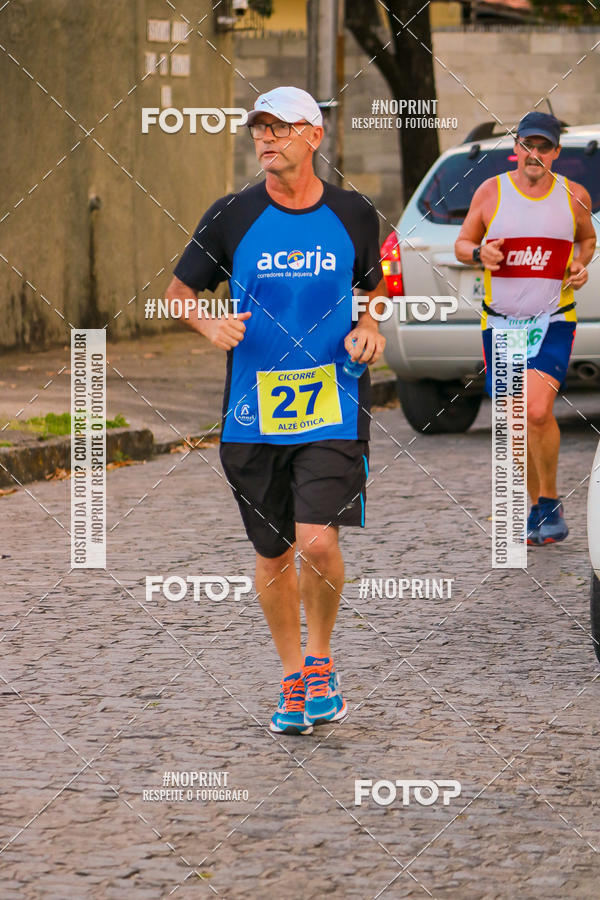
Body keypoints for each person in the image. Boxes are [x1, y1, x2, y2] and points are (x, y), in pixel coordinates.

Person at [165, 86, 386, 733]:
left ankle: (320, 662)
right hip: (251, 413)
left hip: (333, 403)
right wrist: (211, 329)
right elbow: (180, 294)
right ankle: (292, 677)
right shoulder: (231, 215)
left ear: (313, 136)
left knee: (317, 540)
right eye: (259, 128)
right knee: (273, 553)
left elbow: (375, 289)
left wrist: (370, 326)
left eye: (280, 127)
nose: (266, 138)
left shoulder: (353, 214)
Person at [455, 111, 595, 545]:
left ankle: (549, 502)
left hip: (553, 320)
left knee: (537, 410)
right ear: (516, 150)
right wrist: (481, 254)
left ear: (555, 153)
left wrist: (580, 264)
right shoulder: (491, 192)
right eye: (528, 146)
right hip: (501, 323)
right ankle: (536, 508)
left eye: (545, 147)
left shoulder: (574, 195)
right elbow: (462, 244)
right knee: (517, 418)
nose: (535, 154)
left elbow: (587, 240)